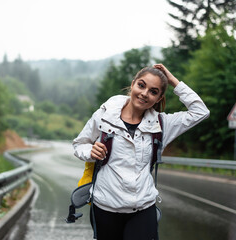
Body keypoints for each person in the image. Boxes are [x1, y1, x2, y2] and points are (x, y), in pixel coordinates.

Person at [72, 63, 210, 240]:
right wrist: (91, 151)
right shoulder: (104, 116)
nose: (144, 93)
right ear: (132, 84)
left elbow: (201, 112)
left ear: (159, 98)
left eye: (153, 91)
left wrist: (173, 80)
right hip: (105, 207)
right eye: (141, 85)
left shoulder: (162, 125)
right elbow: (79, 144)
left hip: (143, 209)